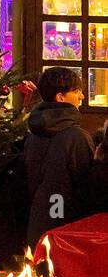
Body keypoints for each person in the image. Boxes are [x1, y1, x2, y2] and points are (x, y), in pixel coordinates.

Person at [25, 66, 92, 249]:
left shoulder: (33, 135)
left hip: (37, 225)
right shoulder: (76, 137)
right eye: (77, 91)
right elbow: (87, 187)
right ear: (60, 97)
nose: (82, 97)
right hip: (67, 234)